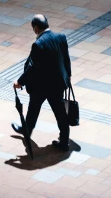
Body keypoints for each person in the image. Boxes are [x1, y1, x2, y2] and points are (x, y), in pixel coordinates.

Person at [12, 14, 71, 151]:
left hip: (42, 86)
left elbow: (33, 68)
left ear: (36, 28)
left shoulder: (38, 44)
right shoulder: (61, 37)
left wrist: (20, 82)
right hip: (58, 84)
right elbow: (66, 59)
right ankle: (64, 143)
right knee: (60, 114)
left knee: (33, 109)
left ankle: (26, 130)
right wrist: (68, 76)